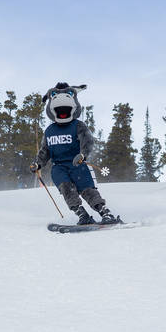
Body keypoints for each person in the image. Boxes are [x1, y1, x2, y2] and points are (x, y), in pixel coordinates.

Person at [29, 82, 118, 225]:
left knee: (87, 190)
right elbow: (45, 151)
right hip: (59, 167)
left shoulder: (78, 125)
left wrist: (83, 155)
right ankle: (83, 215)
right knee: (66, 189)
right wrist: (37, 163)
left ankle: (106, 213)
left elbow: (87, 141)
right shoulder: (50, 131)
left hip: (77, 164)